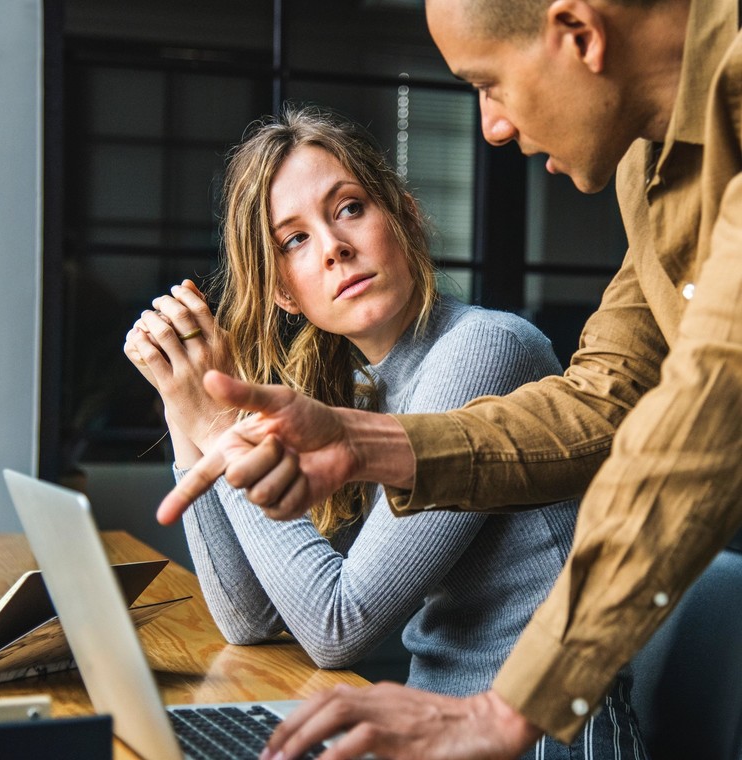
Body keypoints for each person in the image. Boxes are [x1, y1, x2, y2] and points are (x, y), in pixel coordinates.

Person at [156, 0, 742, 757]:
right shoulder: (653, 168)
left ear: (578, 35)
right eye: (295, 241)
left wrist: (509, 710)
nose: (492, 126)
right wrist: (363, 440)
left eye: (487, 82)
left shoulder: (481, 344)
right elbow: (606, 400)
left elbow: (702, 418)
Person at [125, 106, 647, 759]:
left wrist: (220, 426)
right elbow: (249, 619)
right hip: (437, 735)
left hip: (546, 741)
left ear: (403, 215)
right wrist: (185, 408)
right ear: (285, 292)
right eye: (294, 240)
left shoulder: (485, 350)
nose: (334, 247)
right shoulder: (362, 388)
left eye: (348, 209)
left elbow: (337, 625)